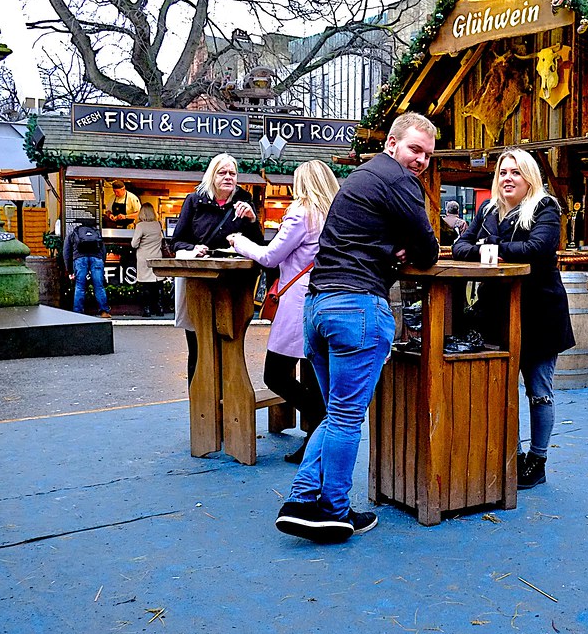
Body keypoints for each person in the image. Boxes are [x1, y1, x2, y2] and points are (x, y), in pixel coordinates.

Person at [275, 112, 439, 544]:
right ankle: (332, 511)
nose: (420, 160)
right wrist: (406, 250)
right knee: (346, 418)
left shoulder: (360, 178)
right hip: (356, 308)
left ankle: (302, 500)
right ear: (392, 144)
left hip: (316, 307)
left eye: (427, 154)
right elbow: (428, 247)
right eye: (414, 149)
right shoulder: (398, 179)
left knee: (335, 416)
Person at [452, 148, 575, 490]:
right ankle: (512, 456)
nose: (507, 178)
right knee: (502, 391)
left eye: (516, 172)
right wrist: (490, 247)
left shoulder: (546, 207)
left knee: (539, 391)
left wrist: (490, 246)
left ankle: (537, 460)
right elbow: (460, 246)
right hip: (496, 314)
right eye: (503, 172)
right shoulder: (487, 209)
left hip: (539, 314)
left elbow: (538, 248)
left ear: (529, 178)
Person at [228, 160, 337, 464]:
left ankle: (320, 422)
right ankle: (316, 439)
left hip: (298, 302)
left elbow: (269, 255)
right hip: (325, 297)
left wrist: (240, 242)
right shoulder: (335, 214)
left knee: (275, 374)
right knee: (314, 374)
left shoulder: (301, 212)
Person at [171, 153, 263, 385]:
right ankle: (199, 399)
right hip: (200, 283)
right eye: (222, 172)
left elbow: (259, 247)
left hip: (233, 284)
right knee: (199, 345)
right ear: (212, 176)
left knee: (229, 343)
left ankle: (229, 396)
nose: (228, 177)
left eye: (232, 173)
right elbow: (176, 242)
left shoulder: (244, 200)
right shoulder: (195, 200)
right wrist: (194, 249)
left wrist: (252, 220)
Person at [63, 216, 112, 319]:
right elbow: (103, 250)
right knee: (99, 286)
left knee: (80, 286)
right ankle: (104, 312)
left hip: (80, 258)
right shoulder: (96, 232)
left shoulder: (74, 232)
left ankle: (78, 312)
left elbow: (66, 252)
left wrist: (69, 269)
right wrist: (102, 262)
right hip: (96, 258)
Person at [131, 202, 165, 317]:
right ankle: (159, 309)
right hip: (157, 257)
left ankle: (147, 310)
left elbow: (134, 244)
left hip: (144, 259)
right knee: (158, 283)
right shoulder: (158, 224)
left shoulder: (140, 226)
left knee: (146, 285)